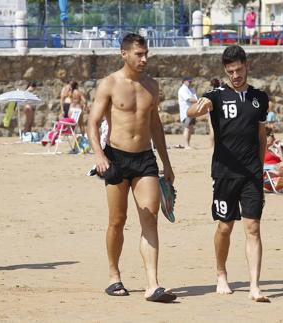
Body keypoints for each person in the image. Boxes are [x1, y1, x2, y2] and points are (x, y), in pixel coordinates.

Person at [87, 33, 176, 303]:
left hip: (145, 159)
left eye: (146, 53)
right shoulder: (110, 84)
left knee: (150, 217)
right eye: (139, 54)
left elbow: (155, 125)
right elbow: (92, 123)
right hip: (116, 158)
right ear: (124, 54)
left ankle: (153, 284)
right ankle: (114, 276)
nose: (144, 58)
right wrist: (100, 156)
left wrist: (167, 162)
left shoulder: (152, 86)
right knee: (117, 220)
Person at [187, 45, 270, 302]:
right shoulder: (217, 95)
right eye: (231, 71)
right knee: (225, 227)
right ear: (225, 70)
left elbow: (261, 136)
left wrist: (260, 166)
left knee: (253, 227)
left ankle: (254, 286)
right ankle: (221, 273)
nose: (235, 75)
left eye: (239, 69)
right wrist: (198, 108)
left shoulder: (260, 97)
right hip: (224, 172)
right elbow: (193, 111)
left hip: (252, 173)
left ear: (247, 66)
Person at [178, 76, 198, 149]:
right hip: (186, 112)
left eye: (190, 81)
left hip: (192, 111)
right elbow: (189, 99)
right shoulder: (183, 89)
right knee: (187, 128)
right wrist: (200, 101)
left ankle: (188, 144)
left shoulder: (190, 89)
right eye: (188, 81)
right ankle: (186, 145)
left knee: (190, 128)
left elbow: (194, 98)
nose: (190, 83)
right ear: (184, 81)